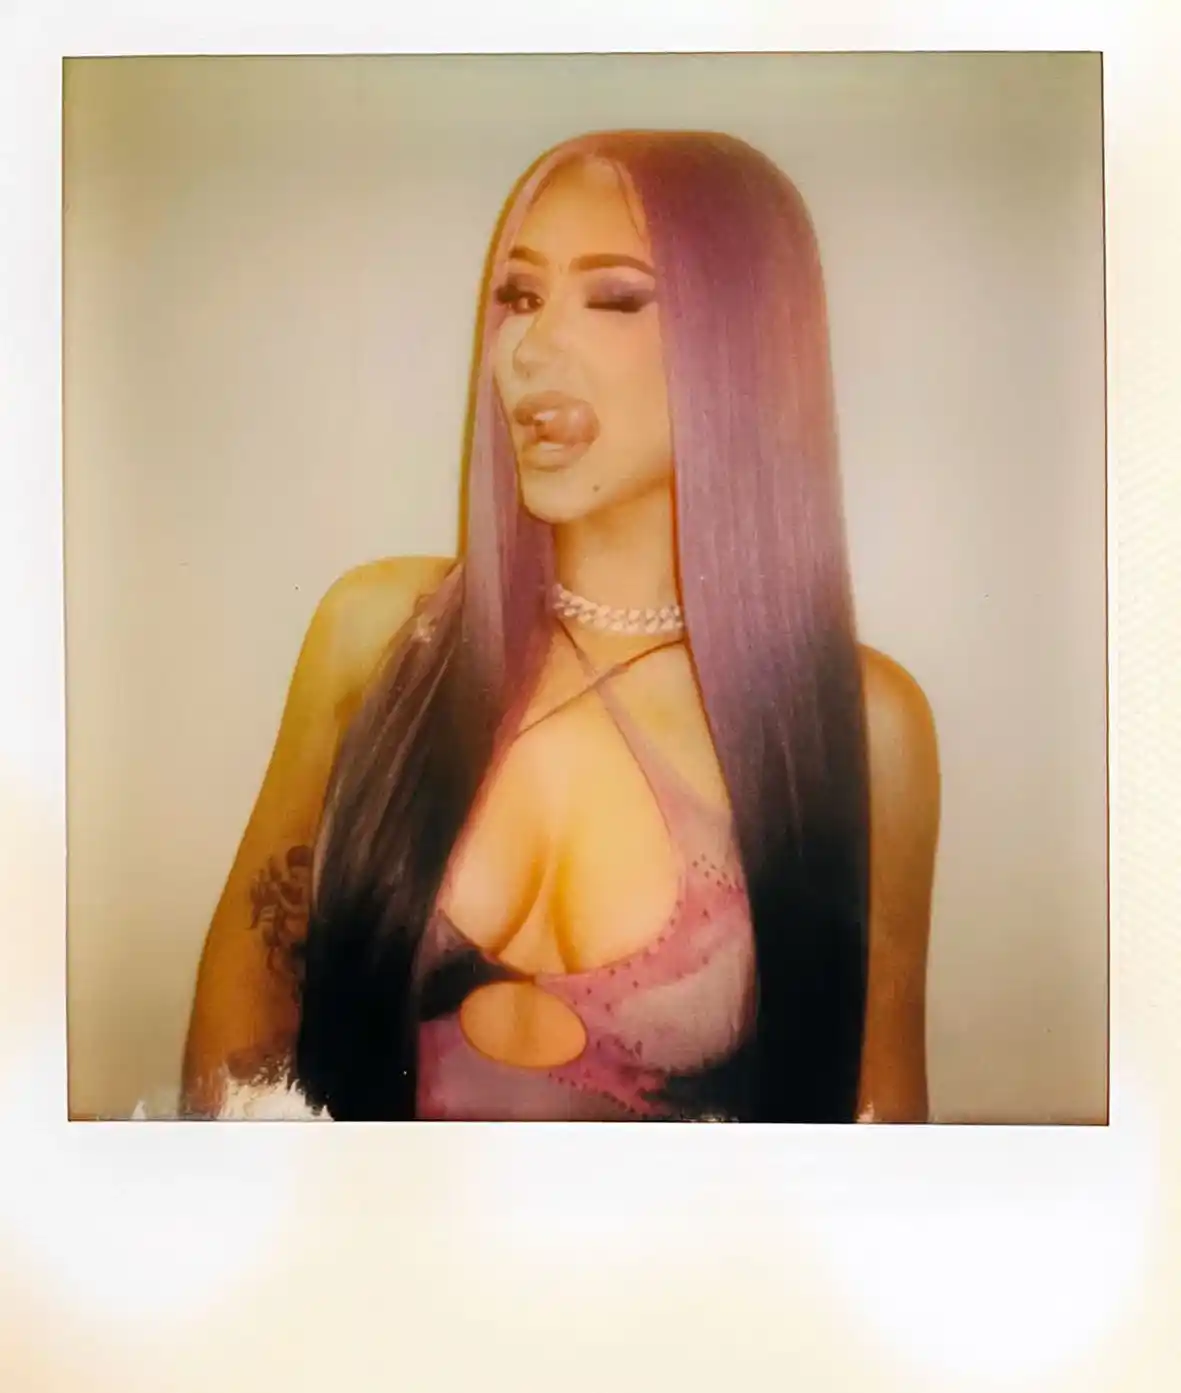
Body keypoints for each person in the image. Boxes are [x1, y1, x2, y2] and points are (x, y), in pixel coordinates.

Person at [181, 129, 940, 1123]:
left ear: (750, 343)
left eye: (614, 298)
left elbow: (875, 1116)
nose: (529, 349)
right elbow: (248, 1001)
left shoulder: (859, 725)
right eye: (519, 296)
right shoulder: (377, 638)